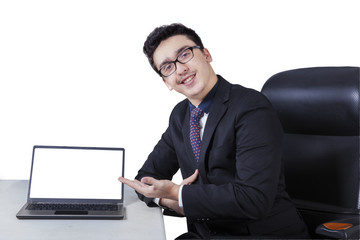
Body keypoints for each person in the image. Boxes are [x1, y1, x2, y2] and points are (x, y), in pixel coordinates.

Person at [118, 23, 309, 239]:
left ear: (206, 54)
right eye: (168, 67)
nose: (180, 69)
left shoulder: (251, 107)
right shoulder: (180, 116)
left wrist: (178, 193)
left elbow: (253, 199)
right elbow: (146, 179)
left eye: (184, 54)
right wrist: (166, 199)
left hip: (259, 234)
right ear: (166, 82)